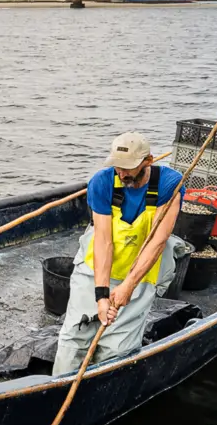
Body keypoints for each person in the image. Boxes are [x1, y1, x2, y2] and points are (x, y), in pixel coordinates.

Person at [52, 132, 185, 376]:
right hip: (96, 268)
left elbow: (157, 243)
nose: (122, 174)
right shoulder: (102, 182)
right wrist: (102, 295)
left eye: (129, 168)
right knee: (74, 339)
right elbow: (104, 241)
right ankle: (58, 391)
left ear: (148, 161)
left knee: (117, 349)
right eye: (118, 167)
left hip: (141, 274)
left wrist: (128, 286)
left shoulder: (169, 185)